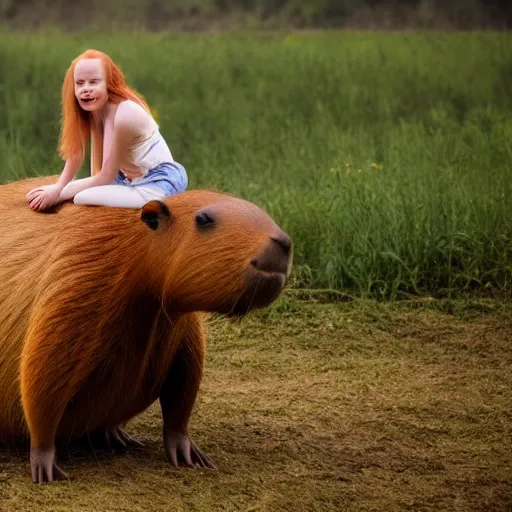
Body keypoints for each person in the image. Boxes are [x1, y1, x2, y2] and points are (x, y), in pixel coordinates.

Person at [26, 49, 187, 211]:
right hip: (127, 179)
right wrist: (58, 187)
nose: (86, 89)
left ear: (108, 83)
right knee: (71, 189)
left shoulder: (125, 113)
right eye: (80, 83)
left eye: (94, 81)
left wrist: (58, 193)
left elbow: (106, 176)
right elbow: (77, 155)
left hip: (159, 182)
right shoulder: (96, 112)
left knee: (82, 196)